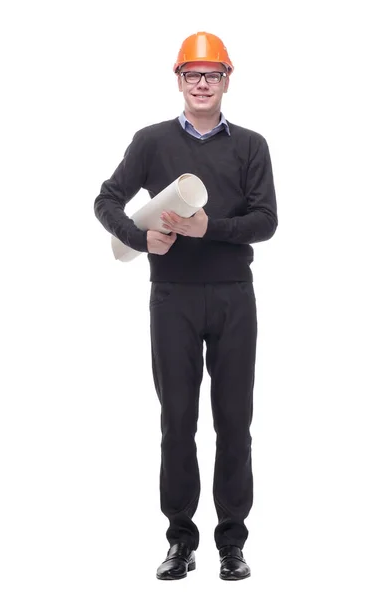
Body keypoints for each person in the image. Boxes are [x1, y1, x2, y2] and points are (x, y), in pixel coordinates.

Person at [94, 31, 278, 581]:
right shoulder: (151, 142)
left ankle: (232, 542)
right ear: (178, 79)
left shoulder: (250, 145)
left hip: (232, 298)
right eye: (192, 74)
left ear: (227, 80)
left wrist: (207, 228)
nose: (202, 84)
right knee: (177, 421)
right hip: (172, 298)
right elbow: (106, 198)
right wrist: (138, 236)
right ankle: (180, 541)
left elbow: (266, 221)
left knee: (234, 422)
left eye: (212, 74)